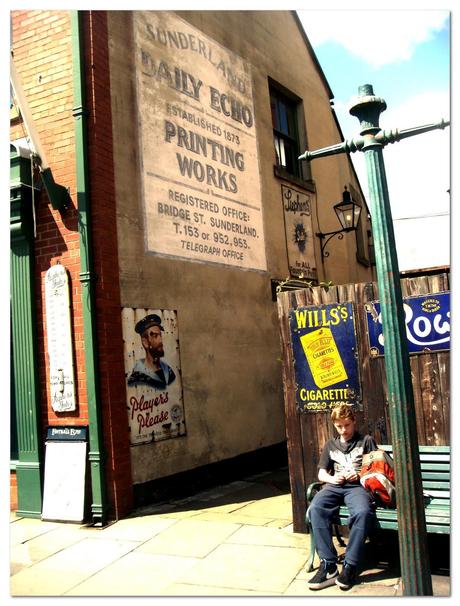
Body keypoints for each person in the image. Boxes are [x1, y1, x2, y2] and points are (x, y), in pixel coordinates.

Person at [307, 403, 378, 591]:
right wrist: (332, 478)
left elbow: (377, 469)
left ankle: (350, 566)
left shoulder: (366, 441)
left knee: (363, 512)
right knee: (315, 508)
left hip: (358, 488)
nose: (344, 430)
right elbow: (321, 474)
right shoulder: (331, 445)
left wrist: (361, 474)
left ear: (354, 421)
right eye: (339, 426)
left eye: (347, 425)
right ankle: (328, 566)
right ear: (334, 425)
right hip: (335, 486)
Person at [127, 314, 176, 390]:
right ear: (145, 342)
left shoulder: (168, 372)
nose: (160, 341)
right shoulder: (137, 379)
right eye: (155, 336)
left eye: (160, 335)